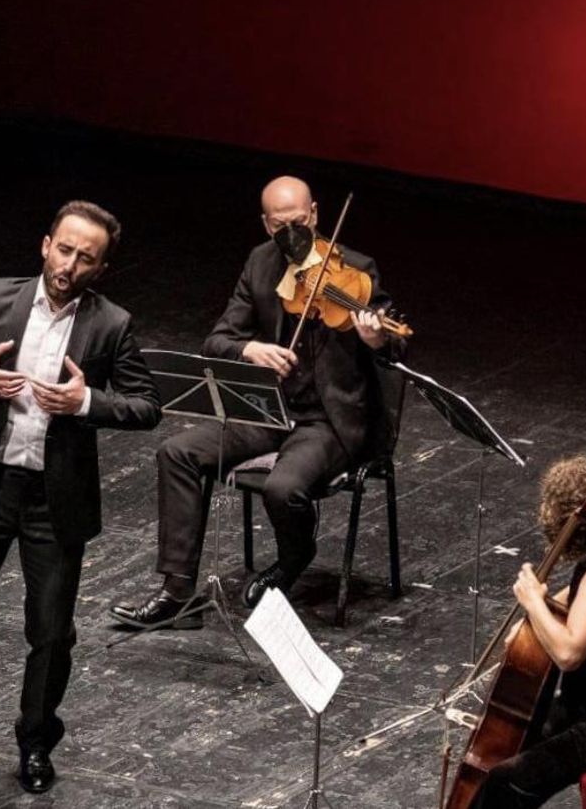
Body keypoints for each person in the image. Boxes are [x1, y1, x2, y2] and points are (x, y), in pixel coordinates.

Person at [0, 201, 160, 802]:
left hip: (52, 497)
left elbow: (147, 406)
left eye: (85, 258)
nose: (69, 265)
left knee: (51, 633)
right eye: (64, 250)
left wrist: (86, 402)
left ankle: (36, 743)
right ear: (45, 245)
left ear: (101, 268)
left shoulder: (111, 324)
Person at [110, 175, 406, 629]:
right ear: (267, 225)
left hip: (327, 422)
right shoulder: (261, 263)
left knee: (282, 488)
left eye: (299, 222)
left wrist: (376, 339)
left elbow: (395, 350)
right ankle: (177, 594)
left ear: (315, 214)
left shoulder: (356, 269)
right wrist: (250, 349)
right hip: (267, 410)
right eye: (280, 226)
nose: (292, 234)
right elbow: (217, 340)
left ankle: (293, 557)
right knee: (177, 452)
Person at [473, 455, 586, 808]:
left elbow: (569, 655)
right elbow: (569, 598)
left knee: (507, 779)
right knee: (502, 747)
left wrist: (532, 602)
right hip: (583, 710)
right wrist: (530, 621)